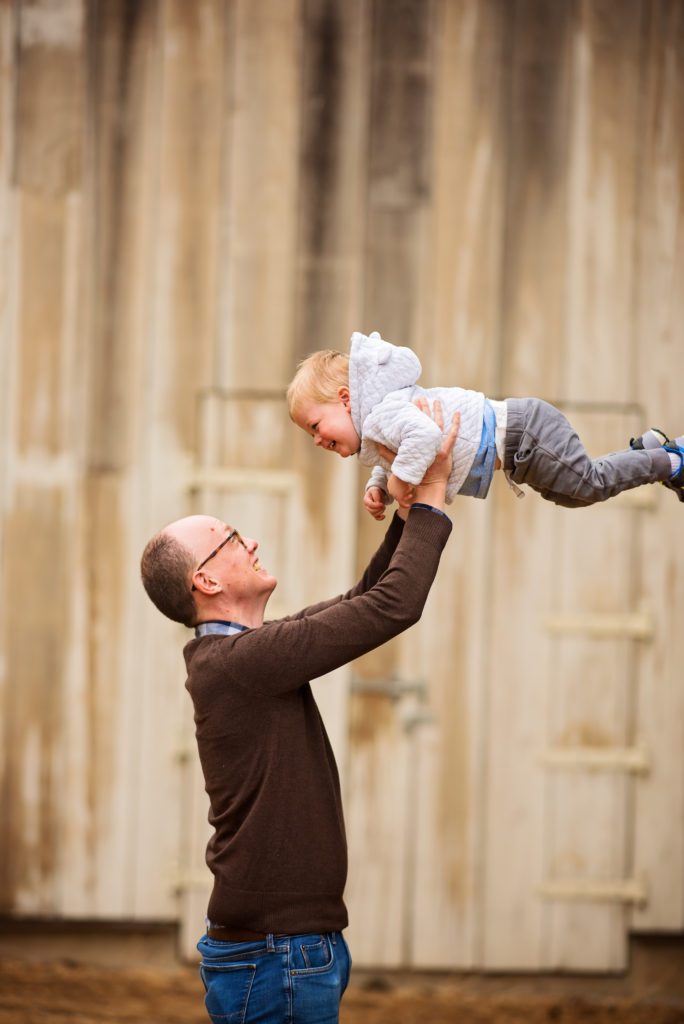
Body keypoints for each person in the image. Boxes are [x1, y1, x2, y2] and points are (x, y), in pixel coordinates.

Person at [139, 407, 459, 1024]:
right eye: (233, 539)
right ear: (205, 578)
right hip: (274, 953)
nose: (251, 540)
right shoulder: (236, 664)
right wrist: (435, 499)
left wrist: (405, 511)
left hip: (285, 949)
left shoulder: (240, 657)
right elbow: (392, 608)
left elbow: (363, 600)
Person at [286, 329, 684, 519]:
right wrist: (380, 485)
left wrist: (397, 482)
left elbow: (423, 436)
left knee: (589, 484)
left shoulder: (381, 413)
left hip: (524, 434)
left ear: (344, 400)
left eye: (316, 426)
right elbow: (401, 447)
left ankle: (673, 460)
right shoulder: (380, 420)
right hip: (520, 445)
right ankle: (648, 449)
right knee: (573, 494)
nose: (318, 440)